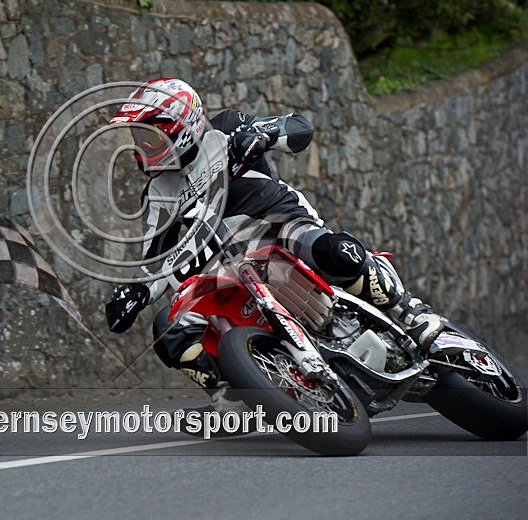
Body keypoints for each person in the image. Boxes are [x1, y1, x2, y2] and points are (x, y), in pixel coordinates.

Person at [104, 78, 443, 411]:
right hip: (229, 263)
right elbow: (156, 261)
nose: (142, 145)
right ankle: (233, 395)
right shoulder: (158, 194)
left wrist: (261, 135)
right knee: (168, 327)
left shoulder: (226, 127)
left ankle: (408, 312)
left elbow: (299, 128)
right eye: (138, 136)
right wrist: (135, 292)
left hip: (279, 224)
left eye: (149, 135)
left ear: (181, 125)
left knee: (336, 252)